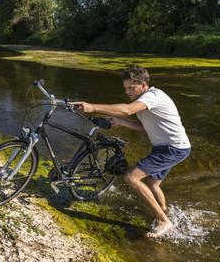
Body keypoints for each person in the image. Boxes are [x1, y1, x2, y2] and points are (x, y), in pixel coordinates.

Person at [72, 66, 191, 238]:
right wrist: (120, 122)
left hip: (172, 148)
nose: (127, 92)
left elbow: (128, 109)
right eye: (125, 88)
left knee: (131, 177)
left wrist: (93, 107)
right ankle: (164, 213)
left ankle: (165, 222)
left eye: (130, 88)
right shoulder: (145, 100)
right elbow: (144, 128)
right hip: (169, 146)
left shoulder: (152, 96)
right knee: (152, 184)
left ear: (143, 84)